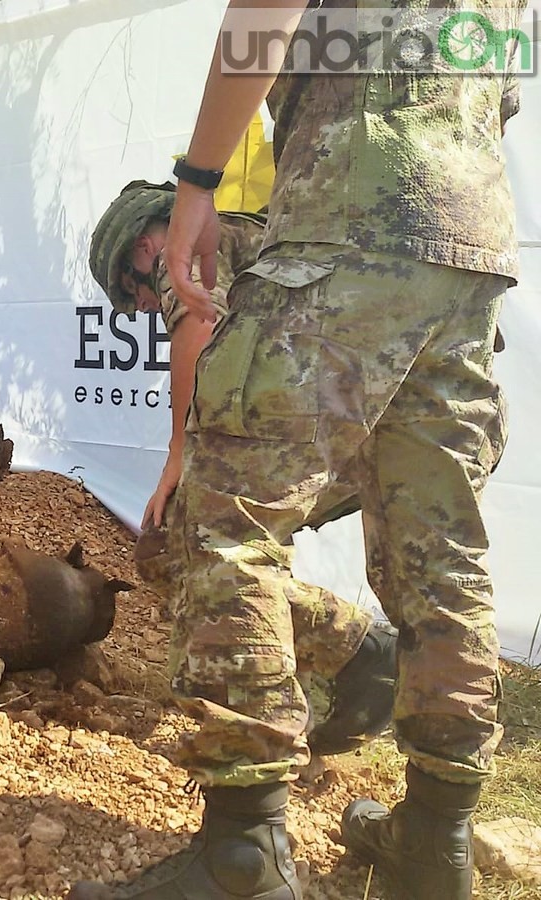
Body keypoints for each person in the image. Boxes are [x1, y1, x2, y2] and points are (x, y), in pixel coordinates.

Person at [68, 0, 522, 896]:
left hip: (350, 213)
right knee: (444, 554)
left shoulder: (200, 237)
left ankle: (243, 851)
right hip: (471, 244)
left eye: (137, 269)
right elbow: (502, 83)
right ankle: (438, 839)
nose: (144, 282)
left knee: (217, 526)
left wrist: (197, 177)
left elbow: (262, 14)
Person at [88, 180, 398, 759]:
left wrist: (179, 455)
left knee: (181, 540)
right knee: (212, 550)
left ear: (140, 251)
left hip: (328, 417)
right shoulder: (246, 238)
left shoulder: (188, 250)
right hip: (360, 419)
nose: (148, 309)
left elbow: (197, 330)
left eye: (136, 298)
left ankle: (265, 738)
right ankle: (353, 659)